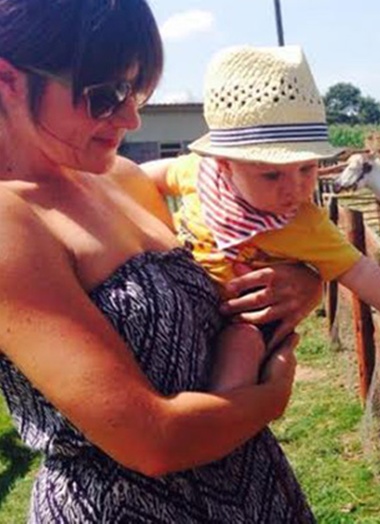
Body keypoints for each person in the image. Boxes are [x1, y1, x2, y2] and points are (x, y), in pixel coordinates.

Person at [0, 1, 326, 521]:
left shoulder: (123, 177)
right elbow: (154, 441)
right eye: (103, 96)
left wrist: (302, 282)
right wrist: (273, 395)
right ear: (8, 81)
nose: (130, 116)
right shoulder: (10, 220)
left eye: (136, 91)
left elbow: (218, 277)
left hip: (253, 487)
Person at [146, 45, 380, 391]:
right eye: (272, 176)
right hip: (182, 300)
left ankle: (224, 418)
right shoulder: (198, 174)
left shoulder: (304, 224)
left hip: (244, 319)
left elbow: (357, 269)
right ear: (224, 166)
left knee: (244, 346)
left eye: (307, 169)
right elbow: (138, 178)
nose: (295, 189)